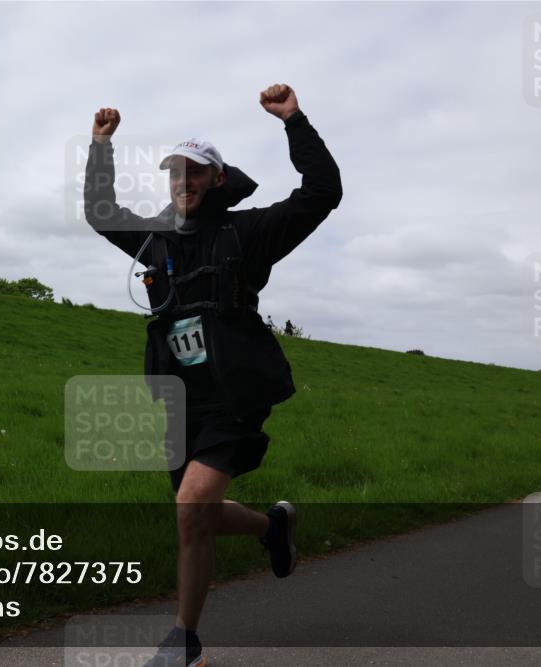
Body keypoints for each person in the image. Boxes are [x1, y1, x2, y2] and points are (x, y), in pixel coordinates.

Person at [83, 83, 342, 666]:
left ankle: (185, 640)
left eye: (195, 172)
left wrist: (294, 120)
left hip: (235, 394)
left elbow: (322, 192)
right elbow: (101, 214)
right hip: (180, 400)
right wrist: (101, 145)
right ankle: (273, 528)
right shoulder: (156, 242)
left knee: (192, 504)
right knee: (192, 513)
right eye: (175, 173)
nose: (183, 182)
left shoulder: (246, 234)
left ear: (217, 179)